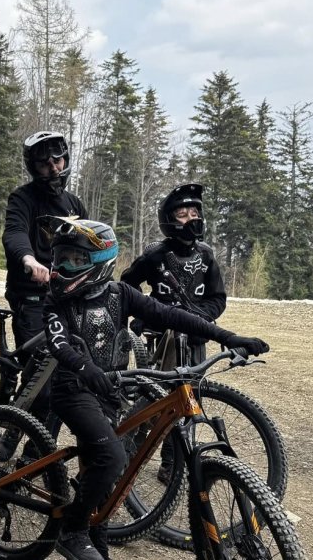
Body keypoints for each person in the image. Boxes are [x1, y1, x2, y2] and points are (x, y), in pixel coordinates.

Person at [38, 216, 269, 560]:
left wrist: (227, 337)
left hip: (110, 391)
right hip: (74, 390)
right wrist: (86, 369)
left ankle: (94, 539)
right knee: (113, 457)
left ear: (101, 261)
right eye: (60, 258)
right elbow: (59, 344)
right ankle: (72, 530)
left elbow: (172, 316)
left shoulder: (121, 294)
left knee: (102, 471)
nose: (62, 267)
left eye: (75, 259)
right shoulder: (56, 302)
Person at [119, 183, 227, 482]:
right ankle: (128, 451)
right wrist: (144, 312)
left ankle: (172, 461)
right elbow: (127, 284)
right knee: (155, 398)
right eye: (183, 214)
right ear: (169, 219)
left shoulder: (206, 256)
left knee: (189, 398)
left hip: (195, 339)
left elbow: (218, 298)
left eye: (195, 212)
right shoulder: (156, 255)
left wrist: (198, 318)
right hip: (161, 341)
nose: (191, 218)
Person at [1, 131, 87, 417]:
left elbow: (88, 244)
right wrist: (29, 261)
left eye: (58, 160)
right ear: (33, 167)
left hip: (67, 295)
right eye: (45, 163)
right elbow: (14, 234)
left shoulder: (74, 204)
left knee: (72, 370)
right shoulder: (22, 198)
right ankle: (19, 434)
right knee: (41, 376)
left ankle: (34, 437)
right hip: (31, 294)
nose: (54, 168)